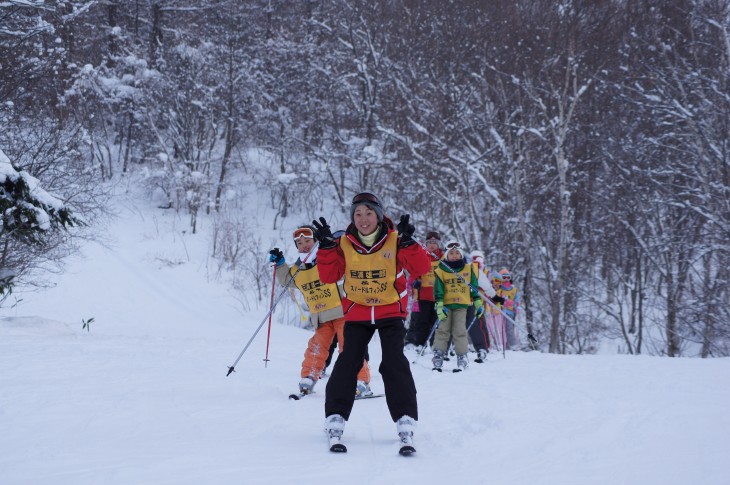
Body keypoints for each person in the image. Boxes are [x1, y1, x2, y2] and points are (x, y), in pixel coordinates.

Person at [313, 192, 430, 453]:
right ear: (352, 218)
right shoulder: (343, 242)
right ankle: (335, 417)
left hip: (390, 311)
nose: (363, 219)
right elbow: (329, 275)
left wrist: (410, 243)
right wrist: (326, 248)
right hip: (357, 311)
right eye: (358, 214)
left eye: (368, 213)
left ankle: (405, 420)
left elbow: (421, 268)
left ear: (378, 215)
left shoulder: (395, 240)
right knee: (348, 360)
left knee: (393, 361)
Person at [268, 225, 371, 396]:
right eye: (299, 243)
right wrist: (280, 264)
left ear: (315, 240)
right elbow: (287, 280)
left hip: (343, 313)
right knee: (316, 347)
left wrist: (329, 244)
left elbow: (346, 261)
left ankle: (360, 380)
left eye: (308, 240)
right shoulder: (298, 270)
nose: (304, 245)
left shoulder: (328, 260)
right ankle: (309, 376)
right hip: (321, 317)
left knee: (350, 347)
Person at [432, 241, 484, 371]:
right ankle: (439, 354)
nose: (454, 255)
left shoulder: (468, 269)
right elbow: (438, 289)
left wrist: (477, 302)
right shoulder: (441, 270)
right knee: (443, 329)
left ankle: (462, 356)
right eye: (451, 253)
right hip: (446, 305)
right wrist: (439, 305)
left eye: (457, 253)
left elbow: (473, 287)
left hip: (461, 305)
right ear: (446, 255)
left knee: (459, 330)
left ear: (461, 255)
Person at [404, 231, 444, 352]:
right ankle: (420, 343)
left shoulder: (443, 257)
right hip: (424, 293)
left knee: (436, 320)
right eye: (429, 243)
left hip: (438, 293)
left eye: (435, 243)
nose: (432, 245)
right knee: (423, 320)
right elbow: (415, 271)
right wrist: (415, 281)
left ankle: (435, 343)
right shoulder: (422, 256)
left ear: (438, 244)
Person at [465, 250, 500, 363]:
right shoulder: (467, 268)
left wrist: (493, 295)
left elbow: (487, 284)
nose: (477, 262)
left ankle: (484, 346)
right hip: (468, 299)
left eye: (479, 260)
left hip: (480, 301)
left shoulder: (485, 271)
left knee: (479, 324)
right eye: (475, 259)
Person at [497, 268, 521, 350]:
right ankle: (502, 345)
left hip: (510, 312)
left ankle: (512, 346)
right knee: (501, 329)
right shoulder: (499, 289)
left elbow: (517, 299)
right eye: (504, 277)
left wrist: (516, 307)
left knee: (510, 328)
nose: (506, 279)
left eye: (508, 277)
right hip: (499, 312)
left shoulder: (514, 289)